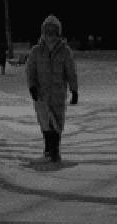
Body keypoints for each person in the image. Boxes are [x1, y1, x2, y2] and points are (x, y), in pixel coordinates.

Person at [25, 14, 78, 163]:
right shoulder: (36, 51)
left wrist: (74, 90)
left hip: (58, 95)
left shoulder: (65, 51)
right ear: (43, 32)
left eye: (53, 31)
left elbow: (71, 73)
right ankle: (48, 150)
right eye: (47, 31)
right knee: (45, 122)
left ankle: (55, 151)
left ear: (58, 32)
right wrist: (32, 87)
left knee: (57, 124)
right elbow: (30, 71)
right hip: (41, 95)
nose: (50, 35)